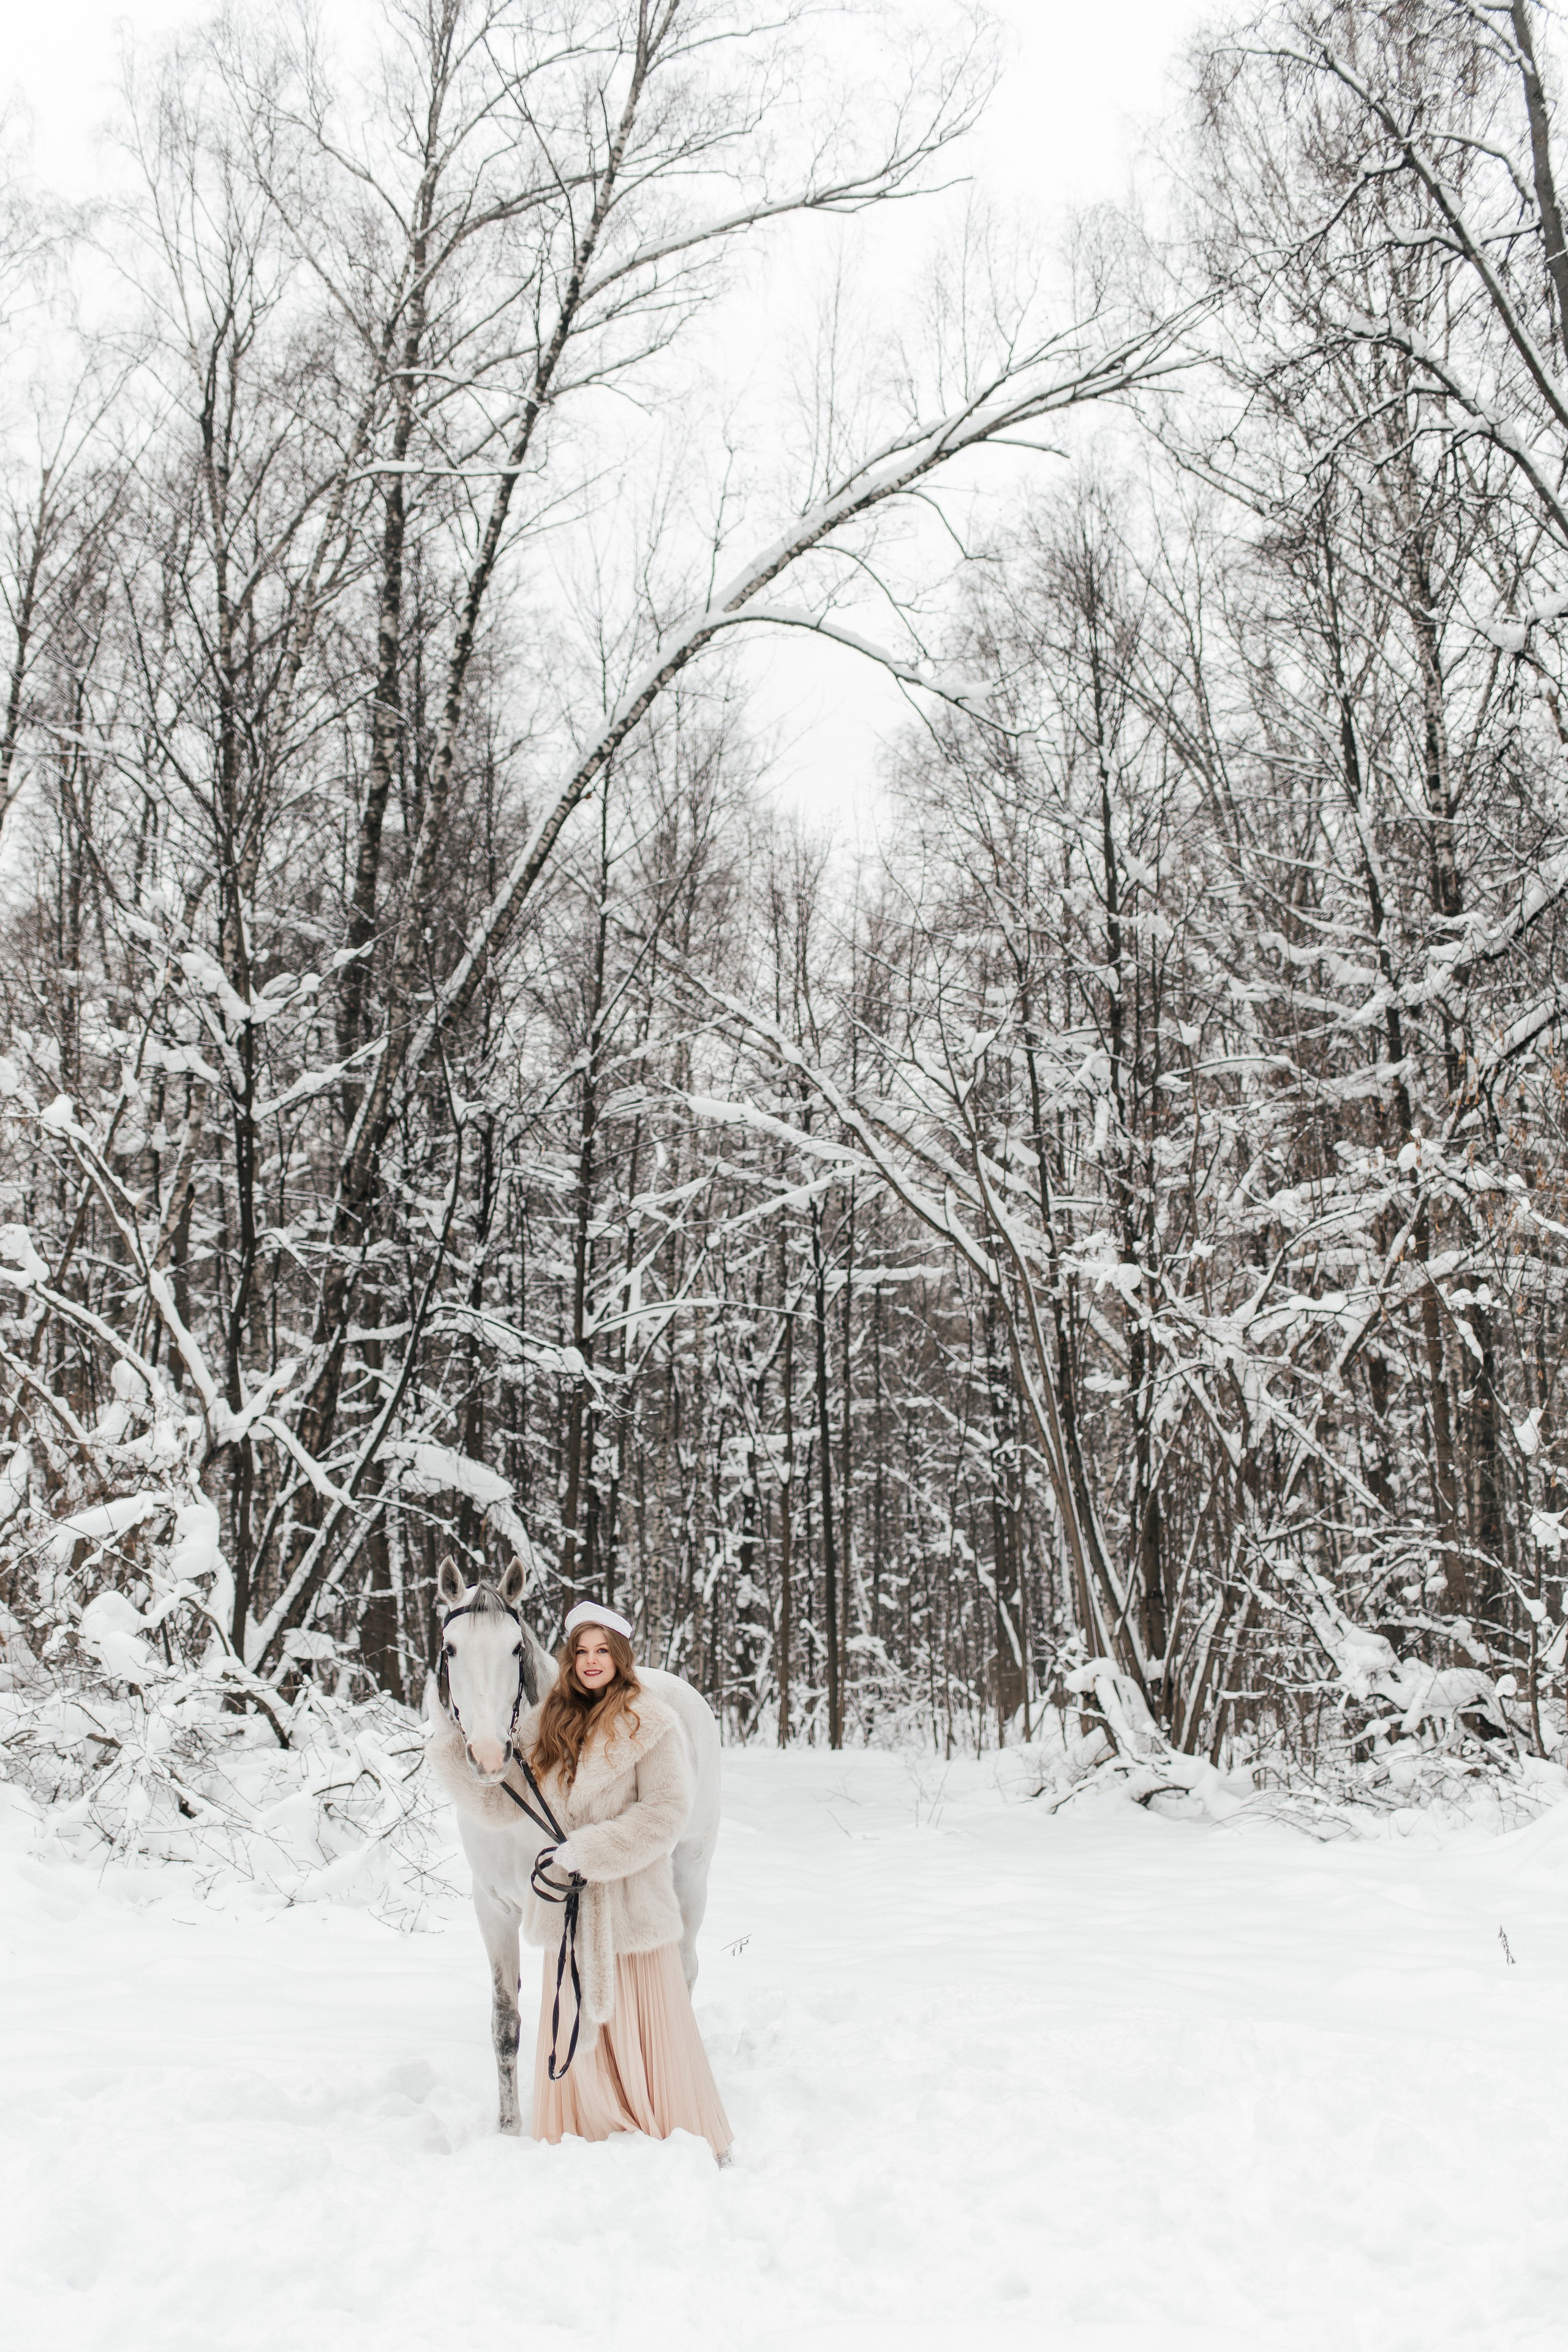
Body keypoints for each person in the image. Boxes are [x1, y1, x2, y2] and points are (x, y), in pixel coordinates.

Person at [520, 1599, 732, 2162]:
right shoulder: (548, 1722)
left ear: (620, 1656)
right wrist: (452, 1749)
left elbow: (666, 1814)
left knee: (648, 2030)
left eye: (602, 1651)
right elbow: (507, 1800)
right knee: (579, 2019)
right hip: (571, 1911)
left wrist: (588, 1851)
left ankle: (667, 2130)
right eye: (581, 1651)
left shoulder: (651, 1721)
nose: (591, 1661)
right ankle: (587, 2126)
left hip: (632, 1907)